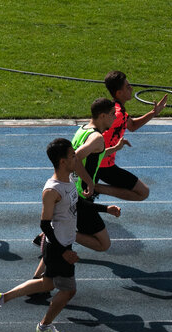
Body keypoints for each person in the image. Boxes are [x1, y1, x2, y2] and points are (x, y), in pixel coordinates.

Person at [0, 138, 80, 332]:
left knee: (47, 283)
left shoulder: (68, 181)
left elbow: (77, 206)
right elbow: (44, 224)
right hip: (57, 247)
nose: (76, 157)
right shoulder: (52, 190)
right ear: (62, 161)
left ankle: (1, 298)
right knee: (68, 291)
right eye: (72, 155)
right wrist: (64, 251)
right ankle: (45, 325)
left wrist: (106, 209)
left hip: (62, 244)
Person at [31, 98, 126, 278]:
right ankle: (57, 238)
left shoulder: (83, 129)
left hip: (72, 191)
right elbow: (77, 158)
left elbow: (91, 155)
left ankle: (38, 279)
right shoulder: (97, 137)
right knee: (103, 244)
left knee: (64, 240)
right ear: (103, 115)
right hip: (80, 195)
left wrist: (113, 148)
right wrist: (89, 182)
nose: (115, 118)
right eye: (113, 114)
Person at [98, 70, 168, 201]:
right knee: (143, 192)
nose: (131, 88)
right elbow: (97, 132)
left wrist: (154, 112)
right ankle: (97, 188)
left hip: (102, 163)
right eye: (127, 86)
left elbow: (133, 125)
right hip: (103, 165)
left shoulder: (117, 109)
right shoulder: (116, 114)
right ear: (119, 93)